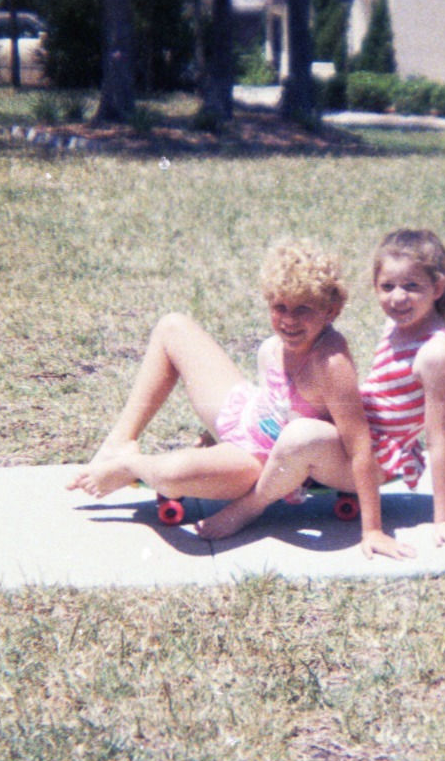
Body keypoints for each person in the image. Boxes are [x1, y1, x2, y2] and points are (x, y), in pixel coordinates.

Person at [67, 239, 412, 559]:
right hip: (246, 418)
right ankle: (120, 442)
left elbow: (359, 445)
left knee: (175, 475)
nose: (289, 320)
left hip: (266, 463)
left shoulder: (331, 363)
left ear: (332, 310)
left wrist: (373, 529)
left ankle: (132, 465)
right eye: (280, 306)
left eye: (304, 308)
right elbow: (275, 399)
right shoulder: (281, 344)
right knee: (173, 327)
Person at [197, 229, 445, 552]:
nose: (398, 298)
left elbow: (439, 438)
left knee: (301, 434)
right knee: (287, 400)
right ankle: (238, 448)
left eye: (412, 286)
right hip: (356, 438)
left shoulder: (437, 354)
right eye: (387, 286)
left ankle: (250, 506)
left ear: (439, 287)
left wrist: (440, 520)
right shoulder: (398, 326)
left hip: (375, 459)